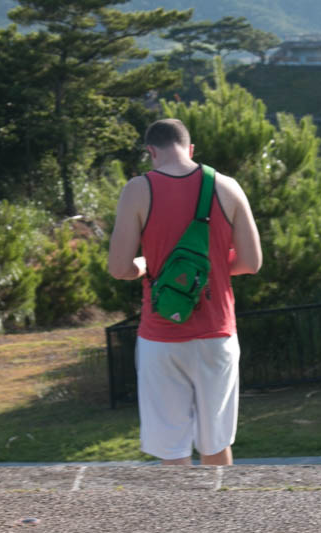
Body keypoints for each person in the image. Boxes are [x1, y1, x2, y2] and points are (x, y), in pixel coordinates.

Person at [108, 118, 262, 466]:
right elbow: (252, 262)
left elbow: (119, 268)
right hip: (217, 334)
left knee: (172, 450)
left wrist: (147, 266)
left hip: (161, 337)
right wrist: (214, 269)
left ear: (151, 152)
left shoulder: (137, 189)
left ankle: (179, 520)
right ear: (190, 149)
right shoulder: (228, 187)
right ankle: (219, 518)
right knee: (216, 444)